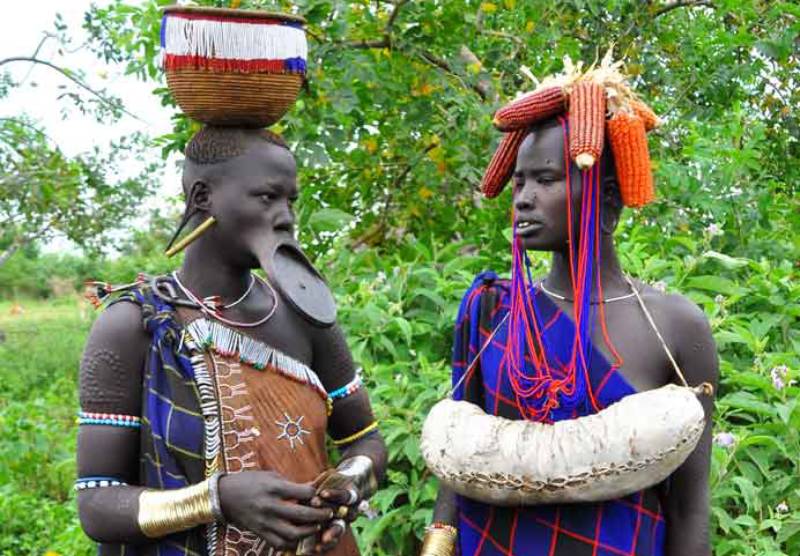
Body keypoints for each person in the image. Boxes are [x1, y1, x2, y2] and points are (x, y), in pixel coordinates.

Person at [421, 59, 718, 556]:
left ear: (605, 198)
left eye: (546, 180)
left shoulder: (675, 325)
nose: (524, 200)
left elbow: (689, 507)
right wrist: (436, 545)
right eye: (518, 183)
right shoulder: (492, 310)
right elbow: (458, 462)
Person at [77, 126, 386, 556]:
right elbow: (96, 502)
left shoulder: (304, 313)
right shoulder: (134, 324)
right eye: (266, 197)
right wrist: (217, 499)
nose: (285, 216)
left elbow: (366, 438)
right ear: (202, 197)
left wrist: (347, 485)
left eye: (290, 200)